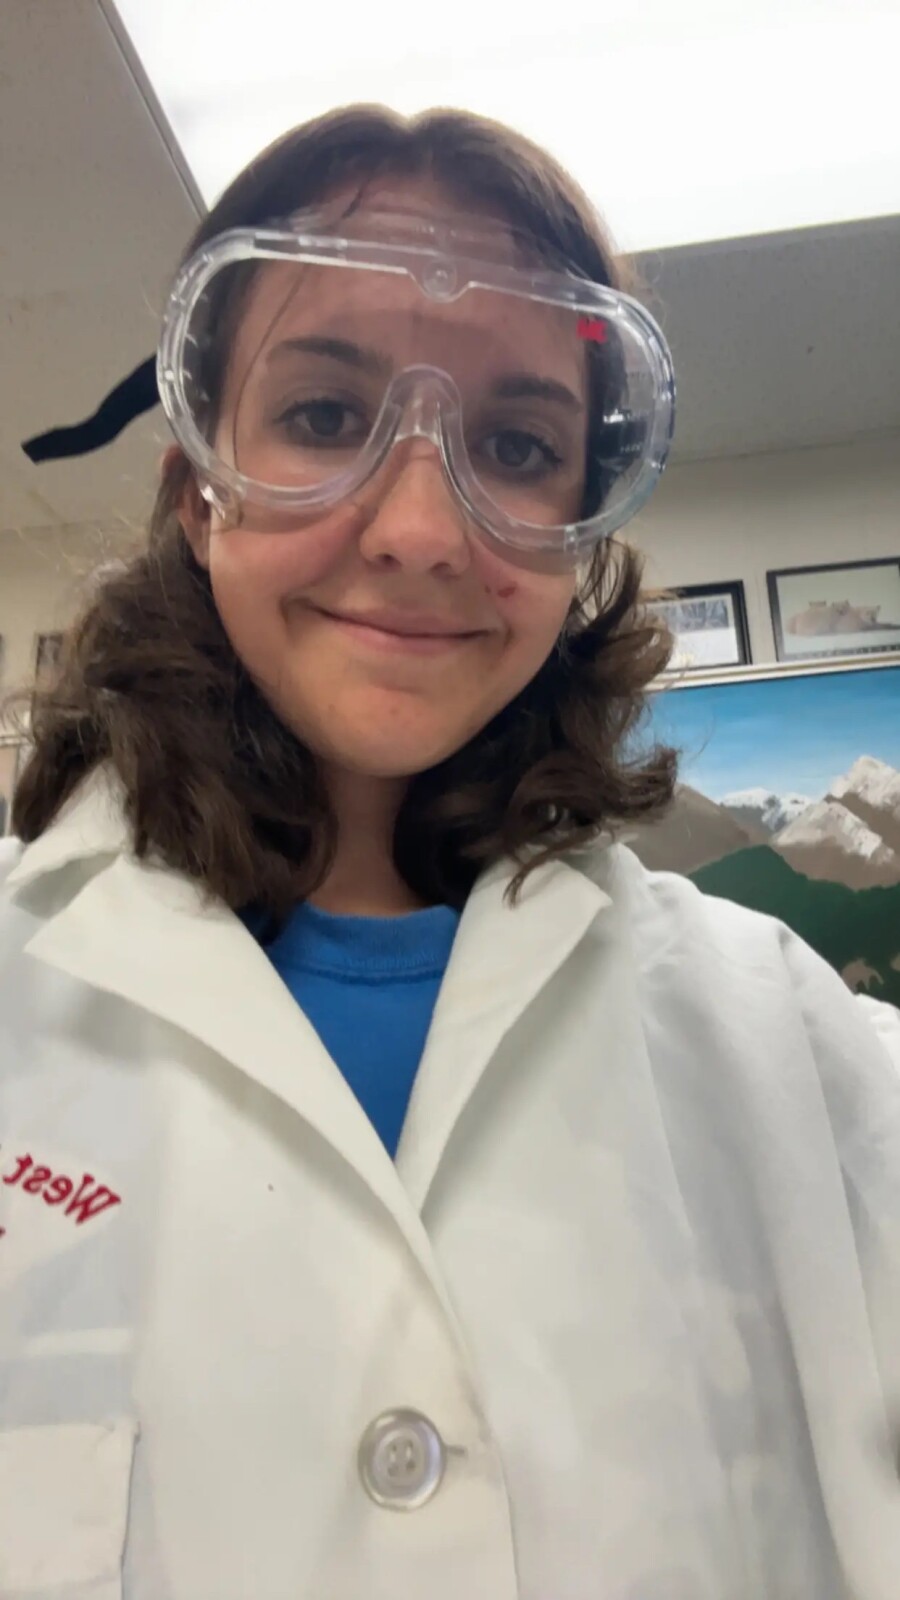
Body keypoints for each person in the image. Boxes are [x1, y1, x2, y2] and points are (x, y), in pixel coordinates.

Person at [0, 104, 898, 1600]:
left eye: (519, 447)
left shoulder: (792, 1045)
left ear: (574, 536)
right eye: (325, 417)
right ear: (198, 495)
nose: (421, 526)